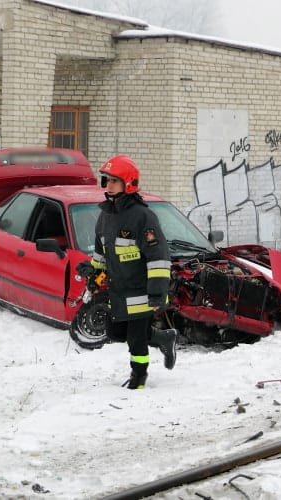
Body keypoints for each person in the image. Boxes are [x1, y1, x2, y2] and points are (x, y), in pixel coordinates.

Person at [76, 155, 177, 389]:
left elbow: (158, 257)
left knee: (136, 339)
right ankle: (163, 337)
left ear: (128, 183)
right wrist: (94, 275)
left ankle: (138, 378)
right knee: (116, 331)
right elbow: (103, 256)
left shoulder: (143, 217)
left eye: (114, 181)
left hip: (142, 290)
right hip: (119, 290)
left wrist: (157, 294)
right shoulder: (105, 216)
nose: (108, 185)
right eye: (106, 180)